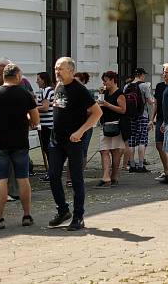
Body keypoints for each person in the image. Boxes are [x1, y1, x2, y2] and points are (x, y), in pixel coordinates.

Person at [0, 63, 39, 230]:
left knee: (2, 180)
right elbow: (35, 120)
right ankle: (26, 215)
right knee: (23, 179)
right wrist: (25, 121)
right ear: (18, 77)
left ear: (3, 77)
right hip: (20, 142)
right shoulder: (25, 94)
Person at [47, 57, 102, 230]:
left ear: (71, 70)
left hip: (74, 140)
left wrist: (81, 131)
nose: (57, 72)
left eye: (60, 69)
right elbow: (61, 108)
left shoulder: (80, 90)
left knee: (76, 178)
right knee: (53, 175)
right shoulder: (58, 85)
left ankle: (78, 216)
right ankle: (63, 210)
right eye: (55, 68)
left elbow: (97, 113)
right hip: (56, 139)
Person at [95, 71, 126, 188]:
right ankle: (105, 177)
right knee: (104, 150)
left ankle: (114, 175)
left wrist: (108, 105)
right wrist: (100, 95)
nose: (104, 83)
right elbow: (99, 105)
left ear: (112, 80)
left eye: (106, 80)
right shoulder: (105, 92)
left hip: (116, 125)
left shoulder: (119, 93)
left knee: (115, 151)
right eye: (103, 80)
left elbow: (123, 110)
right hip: (105, 125)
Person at [127, 68, 155, 172]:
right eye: (144, 75)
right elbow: (150, 101)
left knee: (131, 142)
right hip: (142, 116)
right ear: (141, 75)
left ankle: (132, 165)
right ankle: (141, 165)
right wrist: (151, 118)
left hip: (130, 117)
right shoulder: (144, 86)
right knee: (142, 141)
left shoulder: (127, 86)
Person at [35, 72, 55, 180]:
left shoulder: (47, 90)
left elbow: (45, 107)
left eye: (38, 79)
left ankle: (51, 173)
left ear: (43, 80)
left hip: (47, 124)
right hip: (48, 123)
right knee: (48, 149)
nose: (36, 81)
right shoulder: (49, 90)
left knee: (48, 149)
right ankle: (52, 172)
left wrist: (33, 109)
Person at [151, 80, 168, 181]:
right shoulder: (159, 86)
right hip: (160, 118)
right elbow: (156, 103)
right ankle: (167, 170)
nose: (164, 74)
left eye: (166, 72)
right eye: (163, 72)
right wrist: (151, 119)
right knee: (159, 144)